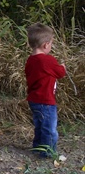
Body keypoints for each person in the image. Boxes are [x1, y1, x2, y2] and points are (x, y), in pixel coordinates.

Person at [25, 23, 66, 158]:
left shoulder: (31, 60)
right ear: (45, 45)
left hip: (34, 99)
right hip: (46, 100)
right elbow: (60, 73)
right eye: (51, 44)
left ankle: (37, 147)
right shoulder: (47, 60)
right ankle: (48, 152)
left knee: (39, 125)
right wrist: (62, 67)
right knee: (49, 128)